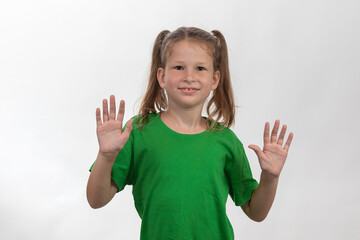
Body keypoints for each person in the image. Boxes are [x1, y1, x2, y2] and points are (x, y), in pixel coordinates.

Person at [86, 27, 293, 240]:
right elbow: (96, 199)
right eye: (178, 67)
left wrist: (270, 177)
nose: (189, 77)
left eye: (200, 68)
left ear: (215, 79)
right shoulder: (138, 132)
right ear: (162, 76)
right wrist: (106, 156)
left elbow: (256, 212)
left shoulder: (226, 141)